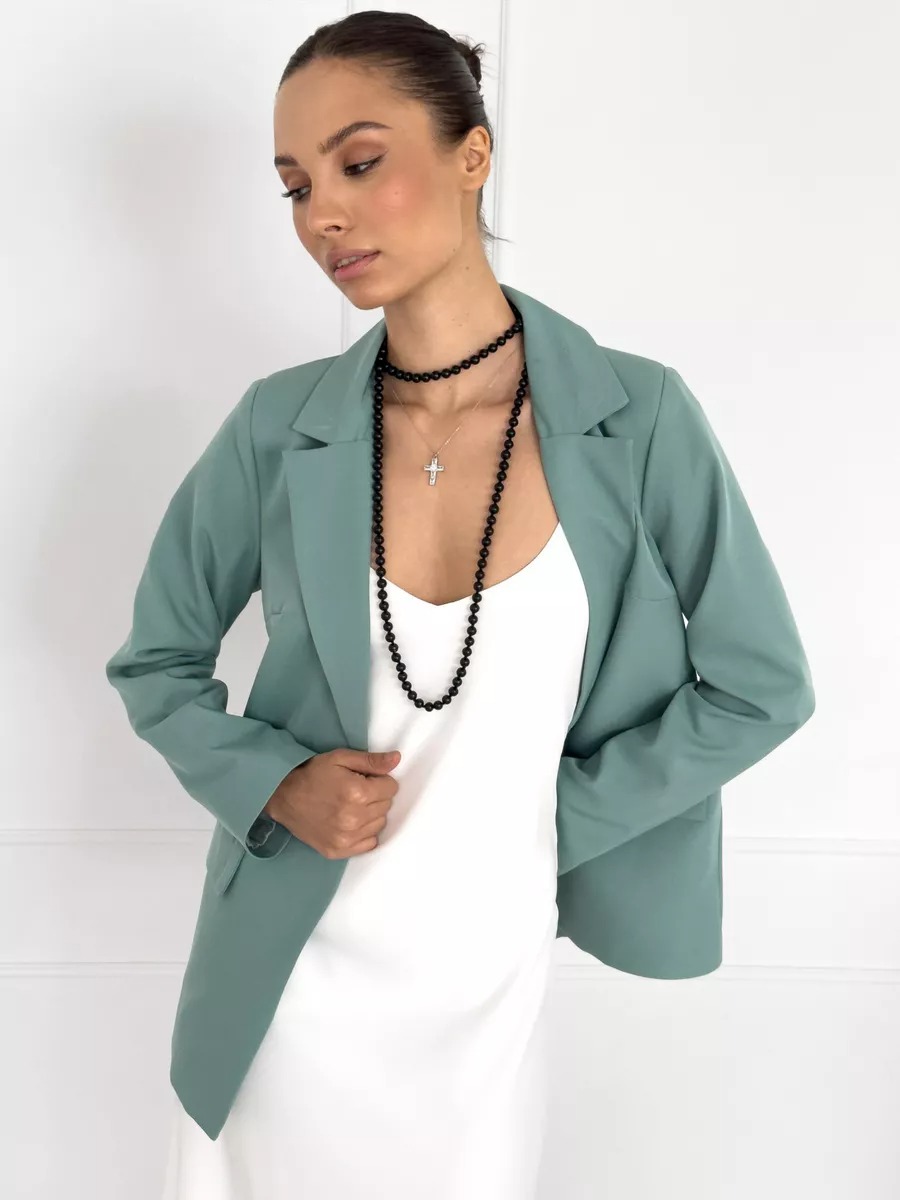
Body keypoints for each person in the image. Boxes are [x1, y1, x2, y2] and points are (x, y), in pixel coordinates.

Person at [105, 10, 815, 1199]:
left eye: (359, 162)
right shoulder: (279, 429)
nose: (322, 215)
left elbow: (763, 685)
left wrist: (550, 819)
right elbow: (155, 662)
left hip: (482, 988)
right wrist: (271, 781)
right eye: (295, 186)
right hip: (290, 973)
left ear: (472, 154)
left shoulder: (638, 420)